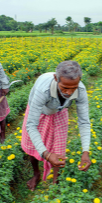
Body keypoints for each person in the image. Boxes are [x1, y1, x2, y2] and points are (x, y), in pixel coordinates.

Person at [21, 60, 91, 191]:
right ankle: (36, 174)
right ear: (55, 78)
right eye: (65, 87)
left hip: (59, 111)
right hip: (40, 111)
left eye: (73, 88)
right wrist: (46, 154)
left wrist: (85, 151)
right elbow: (31, 125)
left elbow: (84, 121)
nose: (69, 93)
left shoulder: (80, 89)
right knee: (32, 144)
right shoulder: (44, 90)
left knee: (59, 148)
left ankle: (55, 181)